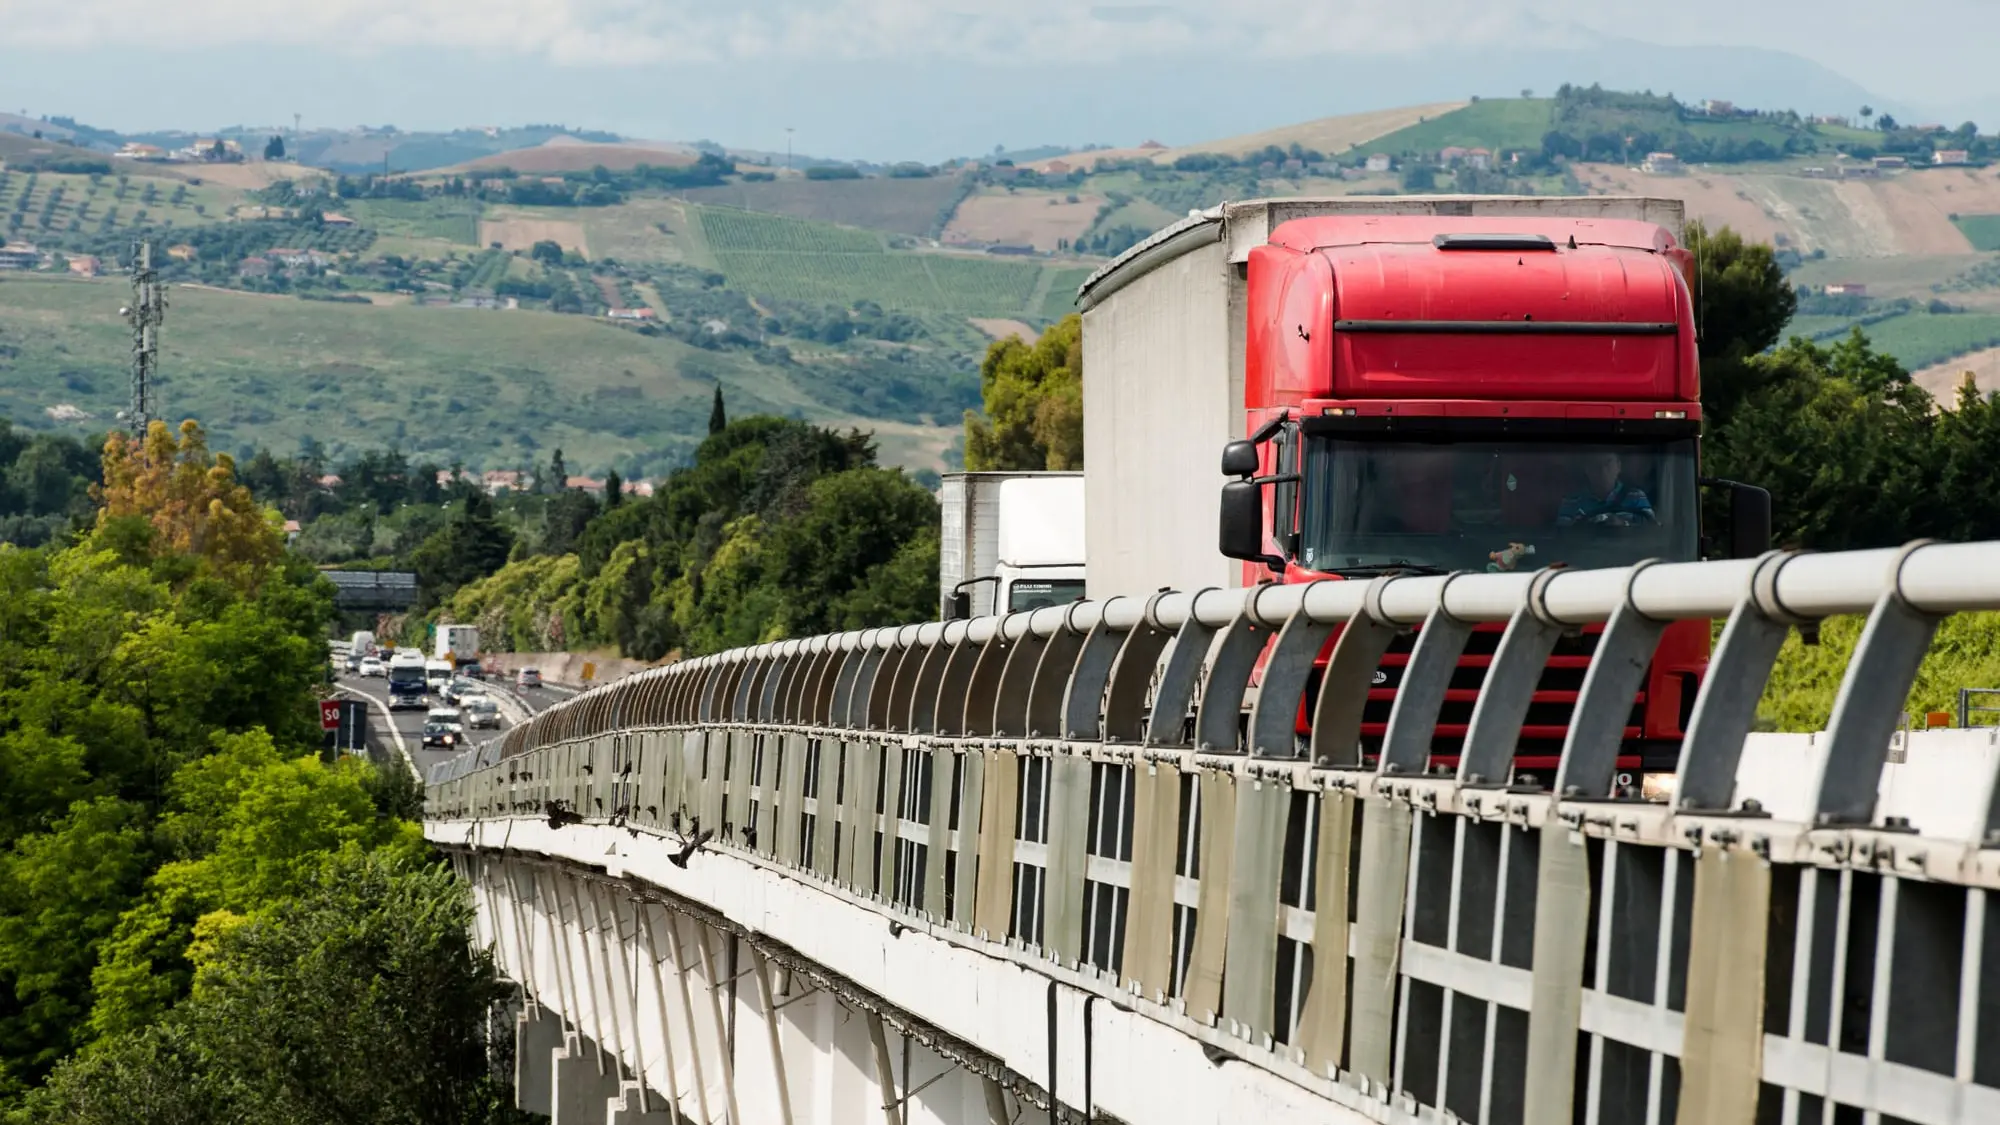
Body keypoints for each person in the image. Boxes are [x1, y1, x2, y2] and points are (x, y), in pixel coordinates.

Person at [1556, 450, 1655, 527]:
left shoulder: (1636, 497)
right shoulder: (1571, 502)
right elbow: (1562, 538)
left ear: (1618, 467)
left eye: (1608, 463)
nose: (1602, 471)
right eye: (1595, 465)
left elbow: (1651, 530)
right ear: (1586, 470)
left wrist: (1623, 525)